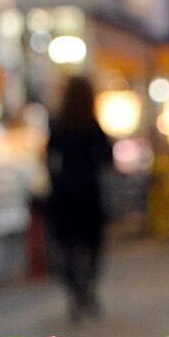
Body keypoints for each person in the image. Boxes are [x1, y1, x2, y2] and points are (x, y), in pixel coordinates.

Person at [44, 75, 114, 320]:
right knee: (91, 244)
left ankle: (76, 293)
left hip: (64, 190)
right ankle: (89, 290)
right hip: (89, 190)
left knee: (67, 245)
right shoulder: (92, 124)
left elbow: (49, 156)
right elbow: (108, 158)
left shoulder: (58, 123)